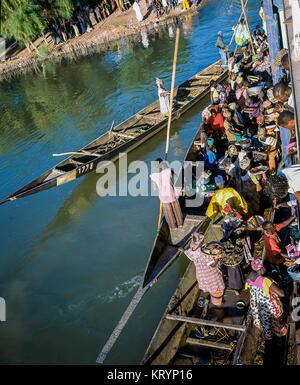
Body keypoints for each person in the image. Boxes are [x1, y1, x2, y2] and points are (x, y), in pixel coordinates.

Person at [246, 259, 287, 340]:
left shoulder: (250, 276)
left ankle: (268, 336)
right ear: (261, 268)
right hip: (268, 306)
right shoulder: (265, 280)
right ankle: (279, 337)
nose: (266, 268)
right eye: (265, 267)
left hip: (258, 305)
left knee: (265, 321)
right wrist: (281, 286)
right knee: (275, 320)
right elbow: (282, 294)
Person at [182, 232, 225, 306]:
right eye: (202, 240)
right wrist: (217, 257)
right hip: (211, 275)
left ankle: (214, 298)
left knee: (210, 288)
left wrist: (182, 249)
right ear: (201, 242)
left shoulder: (192, 251)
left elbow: (186, 253)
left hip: (202, 276)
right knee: (217, 289)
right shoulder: (204, 253)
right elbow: (213, 265)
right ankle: (217, 303)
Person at [150, 158, 183, 229]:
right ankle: (180, 224)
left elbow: (155, 188)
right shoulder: (169, 171)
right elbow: (177, 178)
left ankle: (173, 226)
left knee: (168, 212)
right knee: (176, 209)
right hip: (172, 193)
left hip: (163, 196)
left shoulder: (153, 176)